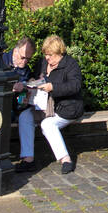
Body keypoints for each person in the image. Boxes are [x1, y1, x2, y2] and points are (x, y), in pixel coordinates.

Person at [35, 35, 84, 174]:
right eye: (45, 55)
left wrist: (53, 87)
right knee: (24, 118)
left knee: (47, 125)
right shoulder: (43, 64)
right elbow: (35, 78)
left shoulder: (70, 64)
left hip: (67, 108)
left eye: (50, 55)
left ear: (59, 53)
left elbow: (75, 86)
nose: (47, 58)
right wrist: (35, 81)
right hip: (44, 106)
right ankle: (28, 159)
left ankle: (66, 159)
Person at [6, 37, 38, 172]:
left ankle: (27, 160)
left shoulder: (25, 71)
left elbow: (20, 102)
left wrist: (23, 101)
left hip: (11, 110)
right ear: (15, 50)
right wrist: (10, 89)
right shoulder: (0, 61)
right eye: (23, 57)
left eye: (28, 59)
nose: (24, 62)